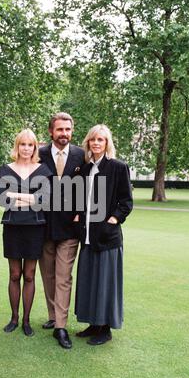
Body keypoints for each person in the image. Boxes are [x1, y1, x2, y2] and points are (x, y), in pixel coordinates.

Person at [75, 124, 133, 345]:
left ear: (107, 143)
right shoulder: (86, 169)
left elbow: (126, 201)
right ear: (88, 143)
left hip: (108, 238)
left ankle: (105, 329)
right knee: (90, 281)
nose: (96, 143)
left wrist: (113, 220)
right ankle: (93, 324)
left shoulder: (118, 167)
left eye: (101, 139)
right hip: (88, 236)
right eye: (93, 140)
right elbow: (82, 201)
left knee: (106, 283)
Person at [0, 129, 51, 337]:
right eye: (23, 144)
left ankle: (26, 321)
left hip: (35, 228)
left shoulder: (43, 170)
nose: (26, 148)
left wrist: (16, 195)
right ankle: (14, 318)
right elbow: (3, 201)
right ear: (17, 146)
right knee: (14, 274)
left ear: (35, 148)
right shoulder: (5, 169)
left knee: (29, 275)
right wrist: (30, 198)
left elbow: (44, 201)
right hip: (12, 227)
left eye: (30, 145)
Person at [39, 112, 85, 349]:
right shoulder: (39, 154)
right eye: (60, 130)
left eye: (68, 129)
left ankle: (61, 326)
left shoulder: (81, 155)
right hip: (43, 225)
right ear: (51, 132)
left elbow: (89, 187)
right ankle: (52, 315)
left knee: (63, 276)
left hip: (70, 227)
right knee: (47, 275)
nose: (64, 134)